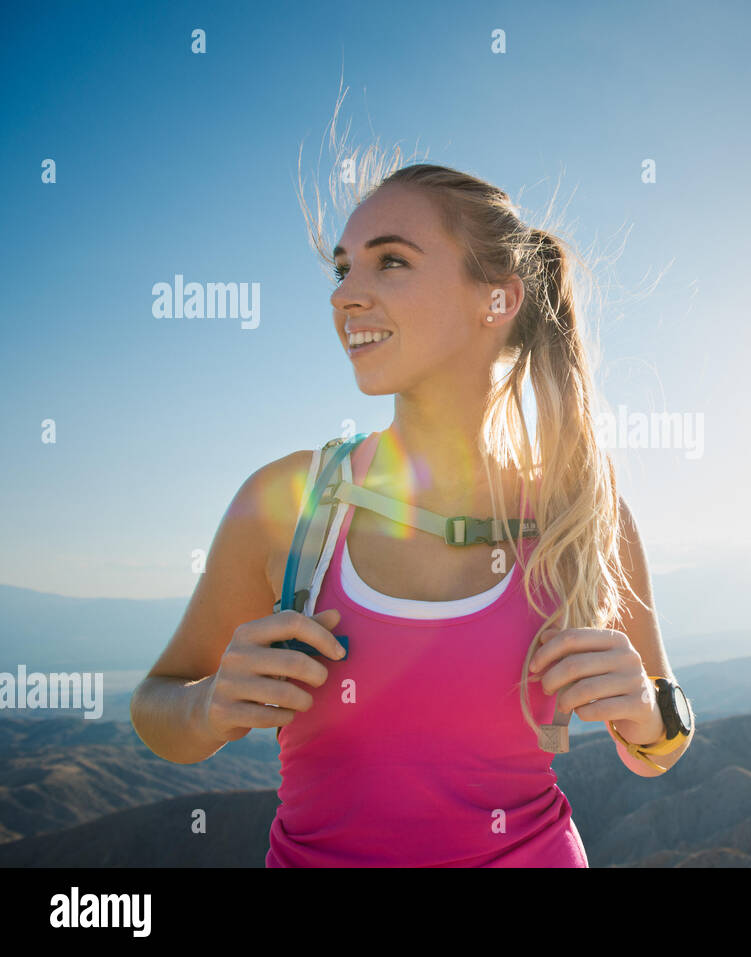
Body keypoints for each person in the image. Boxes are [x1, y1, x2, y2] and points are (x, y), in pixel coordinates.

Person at [129, 161, 693, 867]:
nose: (345, 296)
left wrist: (643, 710)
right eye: (342, 269)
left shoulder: (579, 514)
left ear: (497, 299)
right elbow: (157, 706)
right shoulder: (287, 506)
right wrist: (207, 704)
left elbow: (665, 740)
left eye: (390, 261)